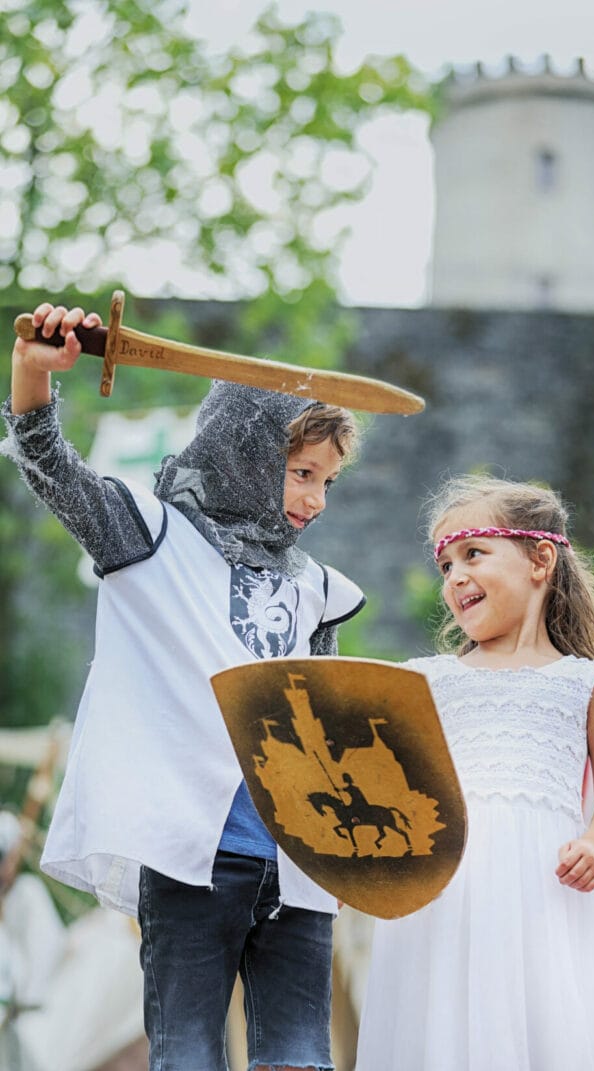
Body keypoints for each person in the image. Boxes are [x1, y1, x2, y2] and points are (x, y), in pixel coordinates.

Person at [2, 301, 367, 1071]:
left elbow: (321, 725)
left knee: (301, 1058)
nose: (316, 500)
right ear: (248, 450)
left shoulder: (318, 590)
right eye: (302, 472)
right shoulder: (149, 537)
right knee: (189, 1055)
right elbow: (47, 464)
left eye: (328, 480)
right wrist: (35, 370)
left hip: (298, 865)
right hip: (191, 856)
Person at [355, 474, 594, 1071]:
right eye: (445, 565)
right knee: (442, 1027)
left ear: (540, 560)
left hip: (542, 892)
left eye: (473, 554)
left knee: (538, 1028)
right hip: (442, 891)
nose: (454, 576)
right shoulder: (427, 680)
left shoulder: (588, 683)